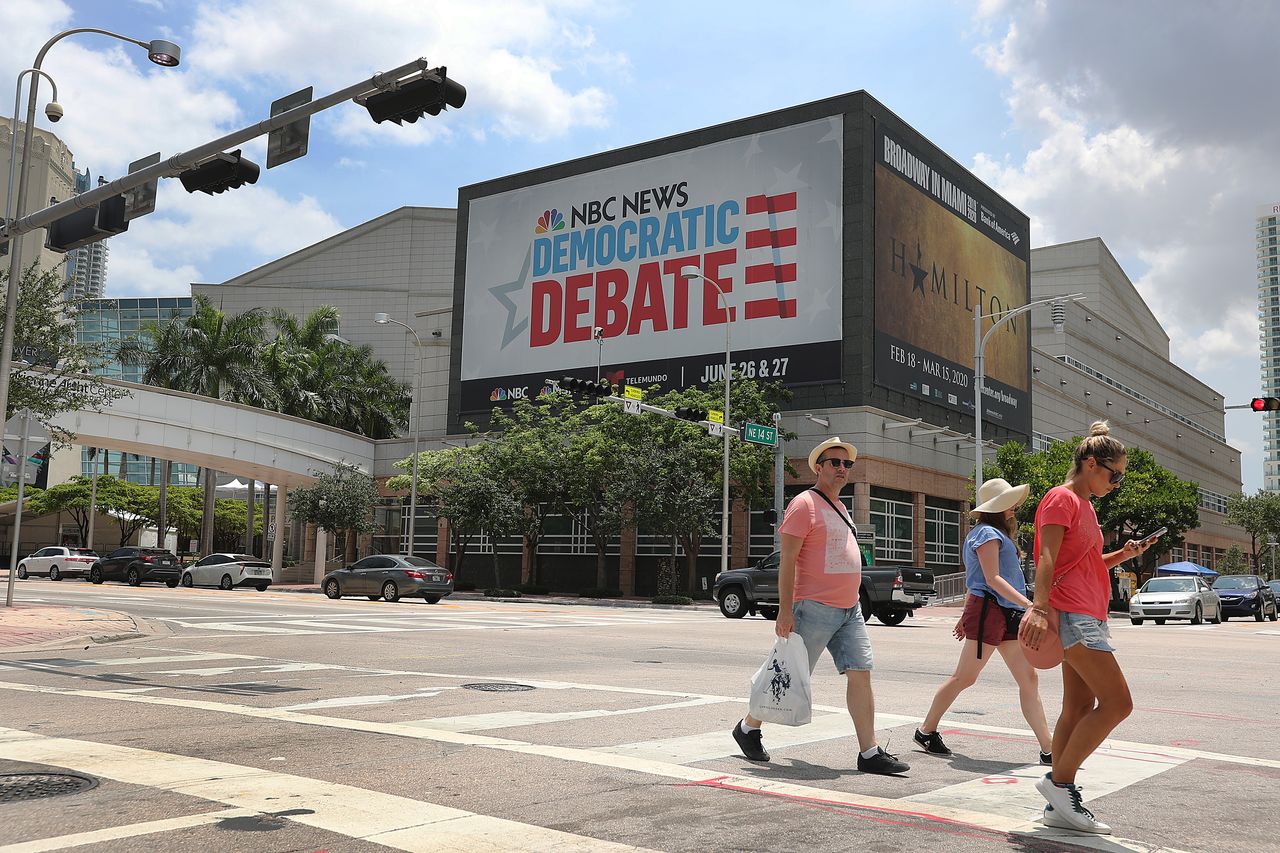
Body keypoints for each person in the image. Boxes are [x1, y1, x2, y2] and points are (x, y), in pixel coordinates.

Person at [732, 437, 909, 775]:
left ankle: (869, 752)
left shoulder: (841, 508)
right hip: (812, 609)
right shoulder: (804, 504)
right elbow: (788, 562)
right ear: (819, 467)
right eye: (835, 463)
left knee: (861, 674)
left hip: (849, 610)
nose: (842, 469)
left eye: (847, 464)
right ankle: (747, 727)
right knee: (787, 676)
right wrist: (785, 609)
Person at [1020, 421, 1152, 835]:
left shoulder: (1085, 505)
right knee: (1118, 703)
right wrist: (1039, 609)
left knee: (1077, 708)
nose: (1117, 483)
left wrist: (1124, 554)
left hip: (1088, 613)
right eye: (1115, 474)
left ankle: (1059, 801)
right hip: (1074, 615)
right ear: (1091, 463)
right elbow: (1046, 557)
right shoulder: (1062, 499)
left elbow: (1085, 563)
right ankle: (1059, 783)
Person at [914, 478, 1053, 764]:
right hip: (991, 610)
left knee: (1029, 679)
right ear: (998, 506)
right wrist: (1030, 604)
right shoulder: (987, 533)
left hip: (1003, 611)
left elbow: (976, 580)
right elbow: (990, 579)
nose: (1015, 507)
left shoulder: (995, 533)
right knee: (965, 677)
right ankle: (926, 730)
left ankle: (1049, 749)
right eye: (1010, 502)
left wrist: (967, 613)